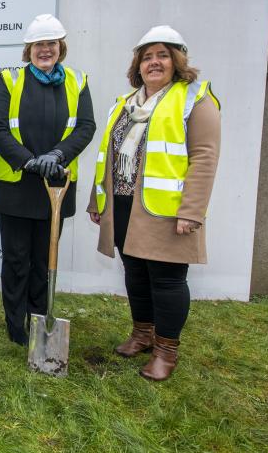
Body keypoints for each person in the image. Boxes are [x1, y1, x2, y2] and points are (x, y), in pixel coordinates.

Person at [87, 25, 220, 381]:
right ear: (138, 65)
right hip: (126, 206)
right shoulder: (127, 103)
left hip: (167, 210)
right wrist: (97, 200)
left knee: (167, 280)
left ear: (177, 60)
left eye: (162, 55)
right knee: (135, 274)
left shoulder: (195, 98)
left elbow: (205, 158)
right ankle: (142, 334)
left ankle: (166, 350)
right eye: (147, 57)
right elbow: (108, 157)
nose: (154, 62)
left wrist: (192, 211)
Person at [0, 14, 96, 346]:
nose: (45, 50)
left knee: (43, 258)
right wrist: (30, 161)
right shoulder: (9, 80)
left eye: (50, 44)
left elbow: (86, 126)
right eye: (38, 45)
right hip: (16, 187)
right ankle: (15, 322)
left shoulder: (77, 82)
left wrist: (58, 155)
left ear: (60, 47)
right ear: (29, 50)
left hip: (57, 186)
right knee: (17, 257)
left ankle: (39, 317)